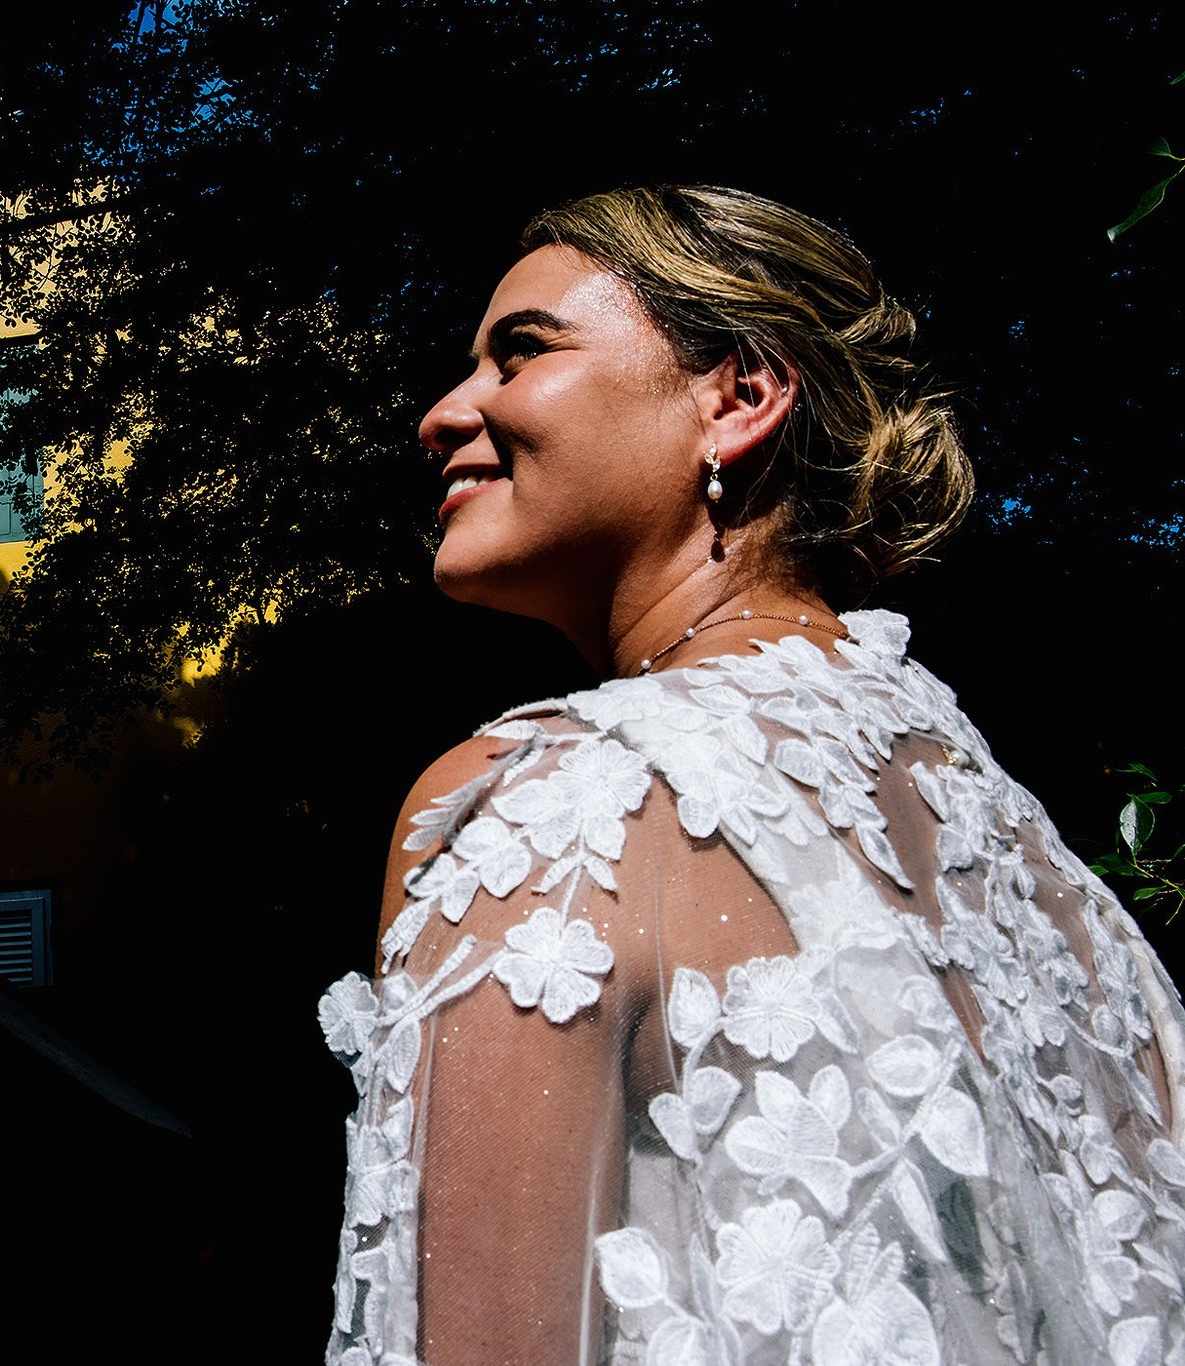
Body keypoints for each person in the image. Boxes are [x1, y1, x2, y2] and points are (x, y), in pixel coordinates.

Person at [319, 186, 1185, 1365]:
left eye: (518, 352)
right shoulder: (1033, 856)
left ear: (734, 398)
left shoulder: (550, 808)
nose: (439, 414)